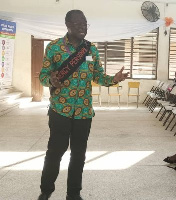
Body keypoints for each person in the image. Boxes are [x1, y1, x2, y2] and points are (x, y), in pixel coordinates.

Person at [38, 10, 128, 200]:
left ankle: (73, 194)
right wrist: (51, 81)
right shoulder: (54, 48)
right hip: (60, 110)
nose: (83, 27)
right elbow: (43, 76)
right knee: (55, 152)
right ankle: (46, 190)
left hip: (84, 112)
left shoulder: (91, 49)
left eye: (85, 24)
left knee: (78, 155)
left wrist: (114, 79)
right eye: (78, 23)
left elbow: (98, 76)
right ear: (67, 24)